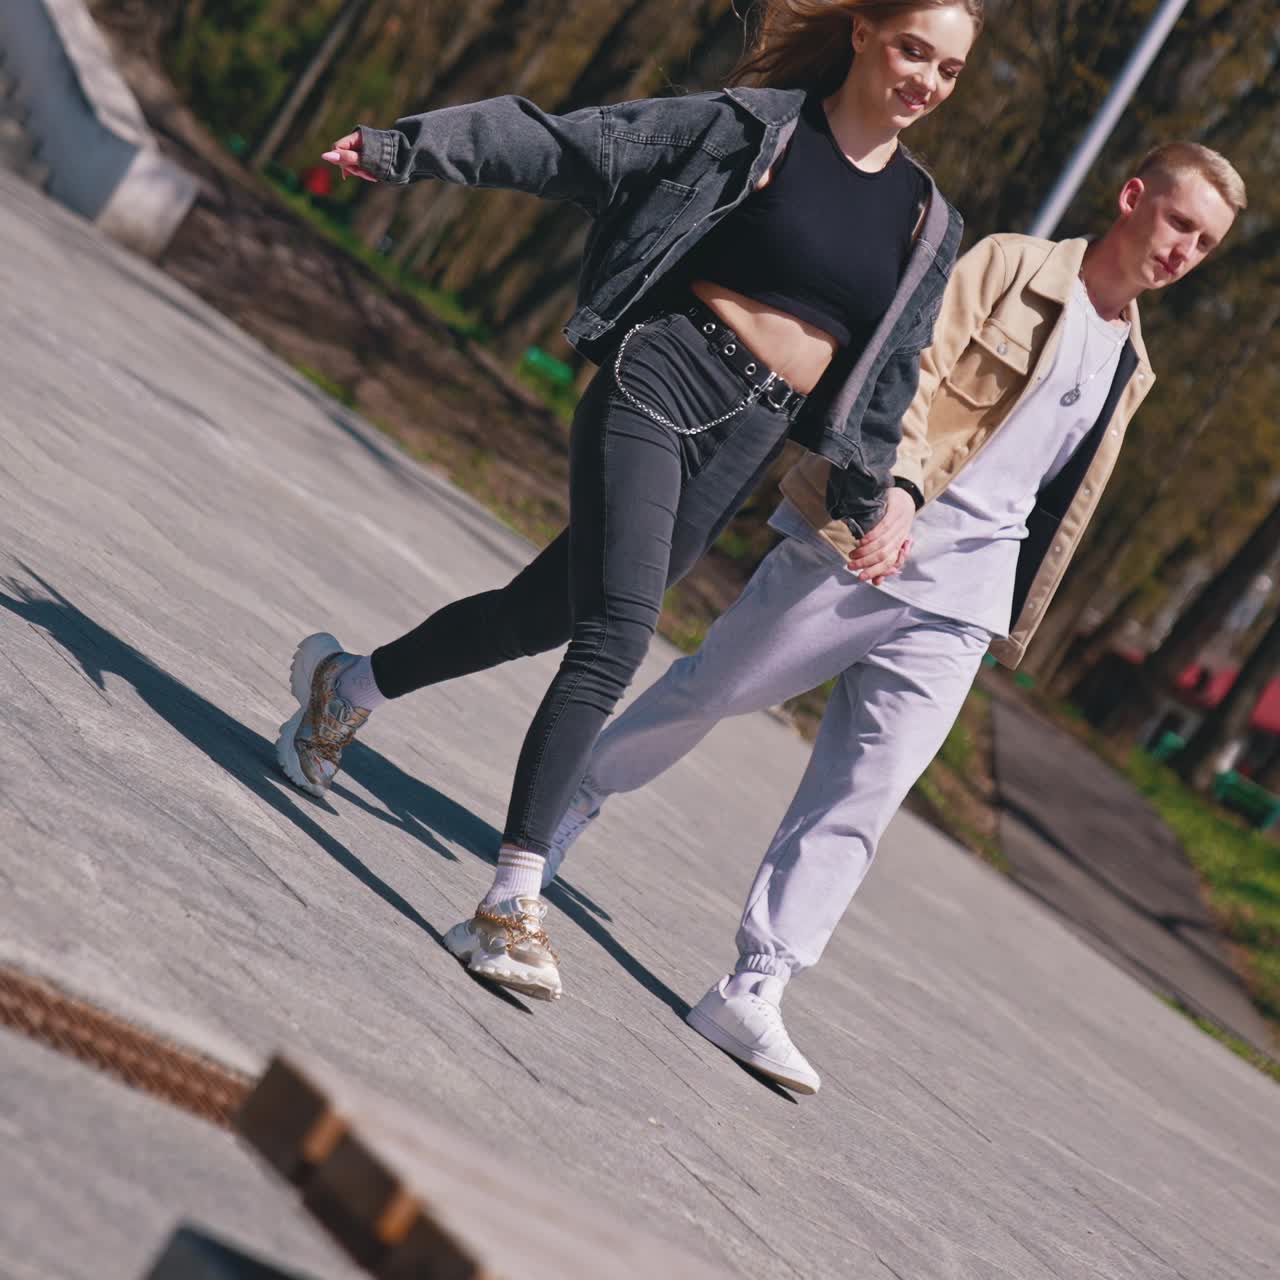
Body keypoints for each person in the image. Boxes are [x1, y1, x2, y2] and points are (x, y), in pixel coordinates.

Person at [275, 0, 984, 1000]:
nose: (926, 80)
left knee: (543, 612)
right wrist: (409, 148)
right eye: (914, 50)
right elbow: (581, 147)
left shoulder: (925, 219)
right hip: (665, 373)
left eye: (948, 71)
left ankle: (344, 687)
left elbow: (890, 374)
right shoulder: (756, 127)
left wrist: (878, 500)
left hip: (748, 434)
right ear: (865, 32)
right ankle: (508, 902)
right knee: (617, 628)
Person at [544, 142, 1246, 1090]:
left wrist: (1010, 615)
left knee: (862, 798)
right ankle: (566, 802)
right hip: (871, 543)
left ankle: (756, 983)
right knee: (715, 689)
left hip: (964, 603)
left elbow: (1050, 500)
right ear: (1133, 199)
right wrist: (898, 491)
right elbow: (903, 373)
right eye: (1178, 223)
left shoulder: (1133, 362)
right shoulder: (1009, 265)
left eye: (1203, 243)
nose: (1183, 251)